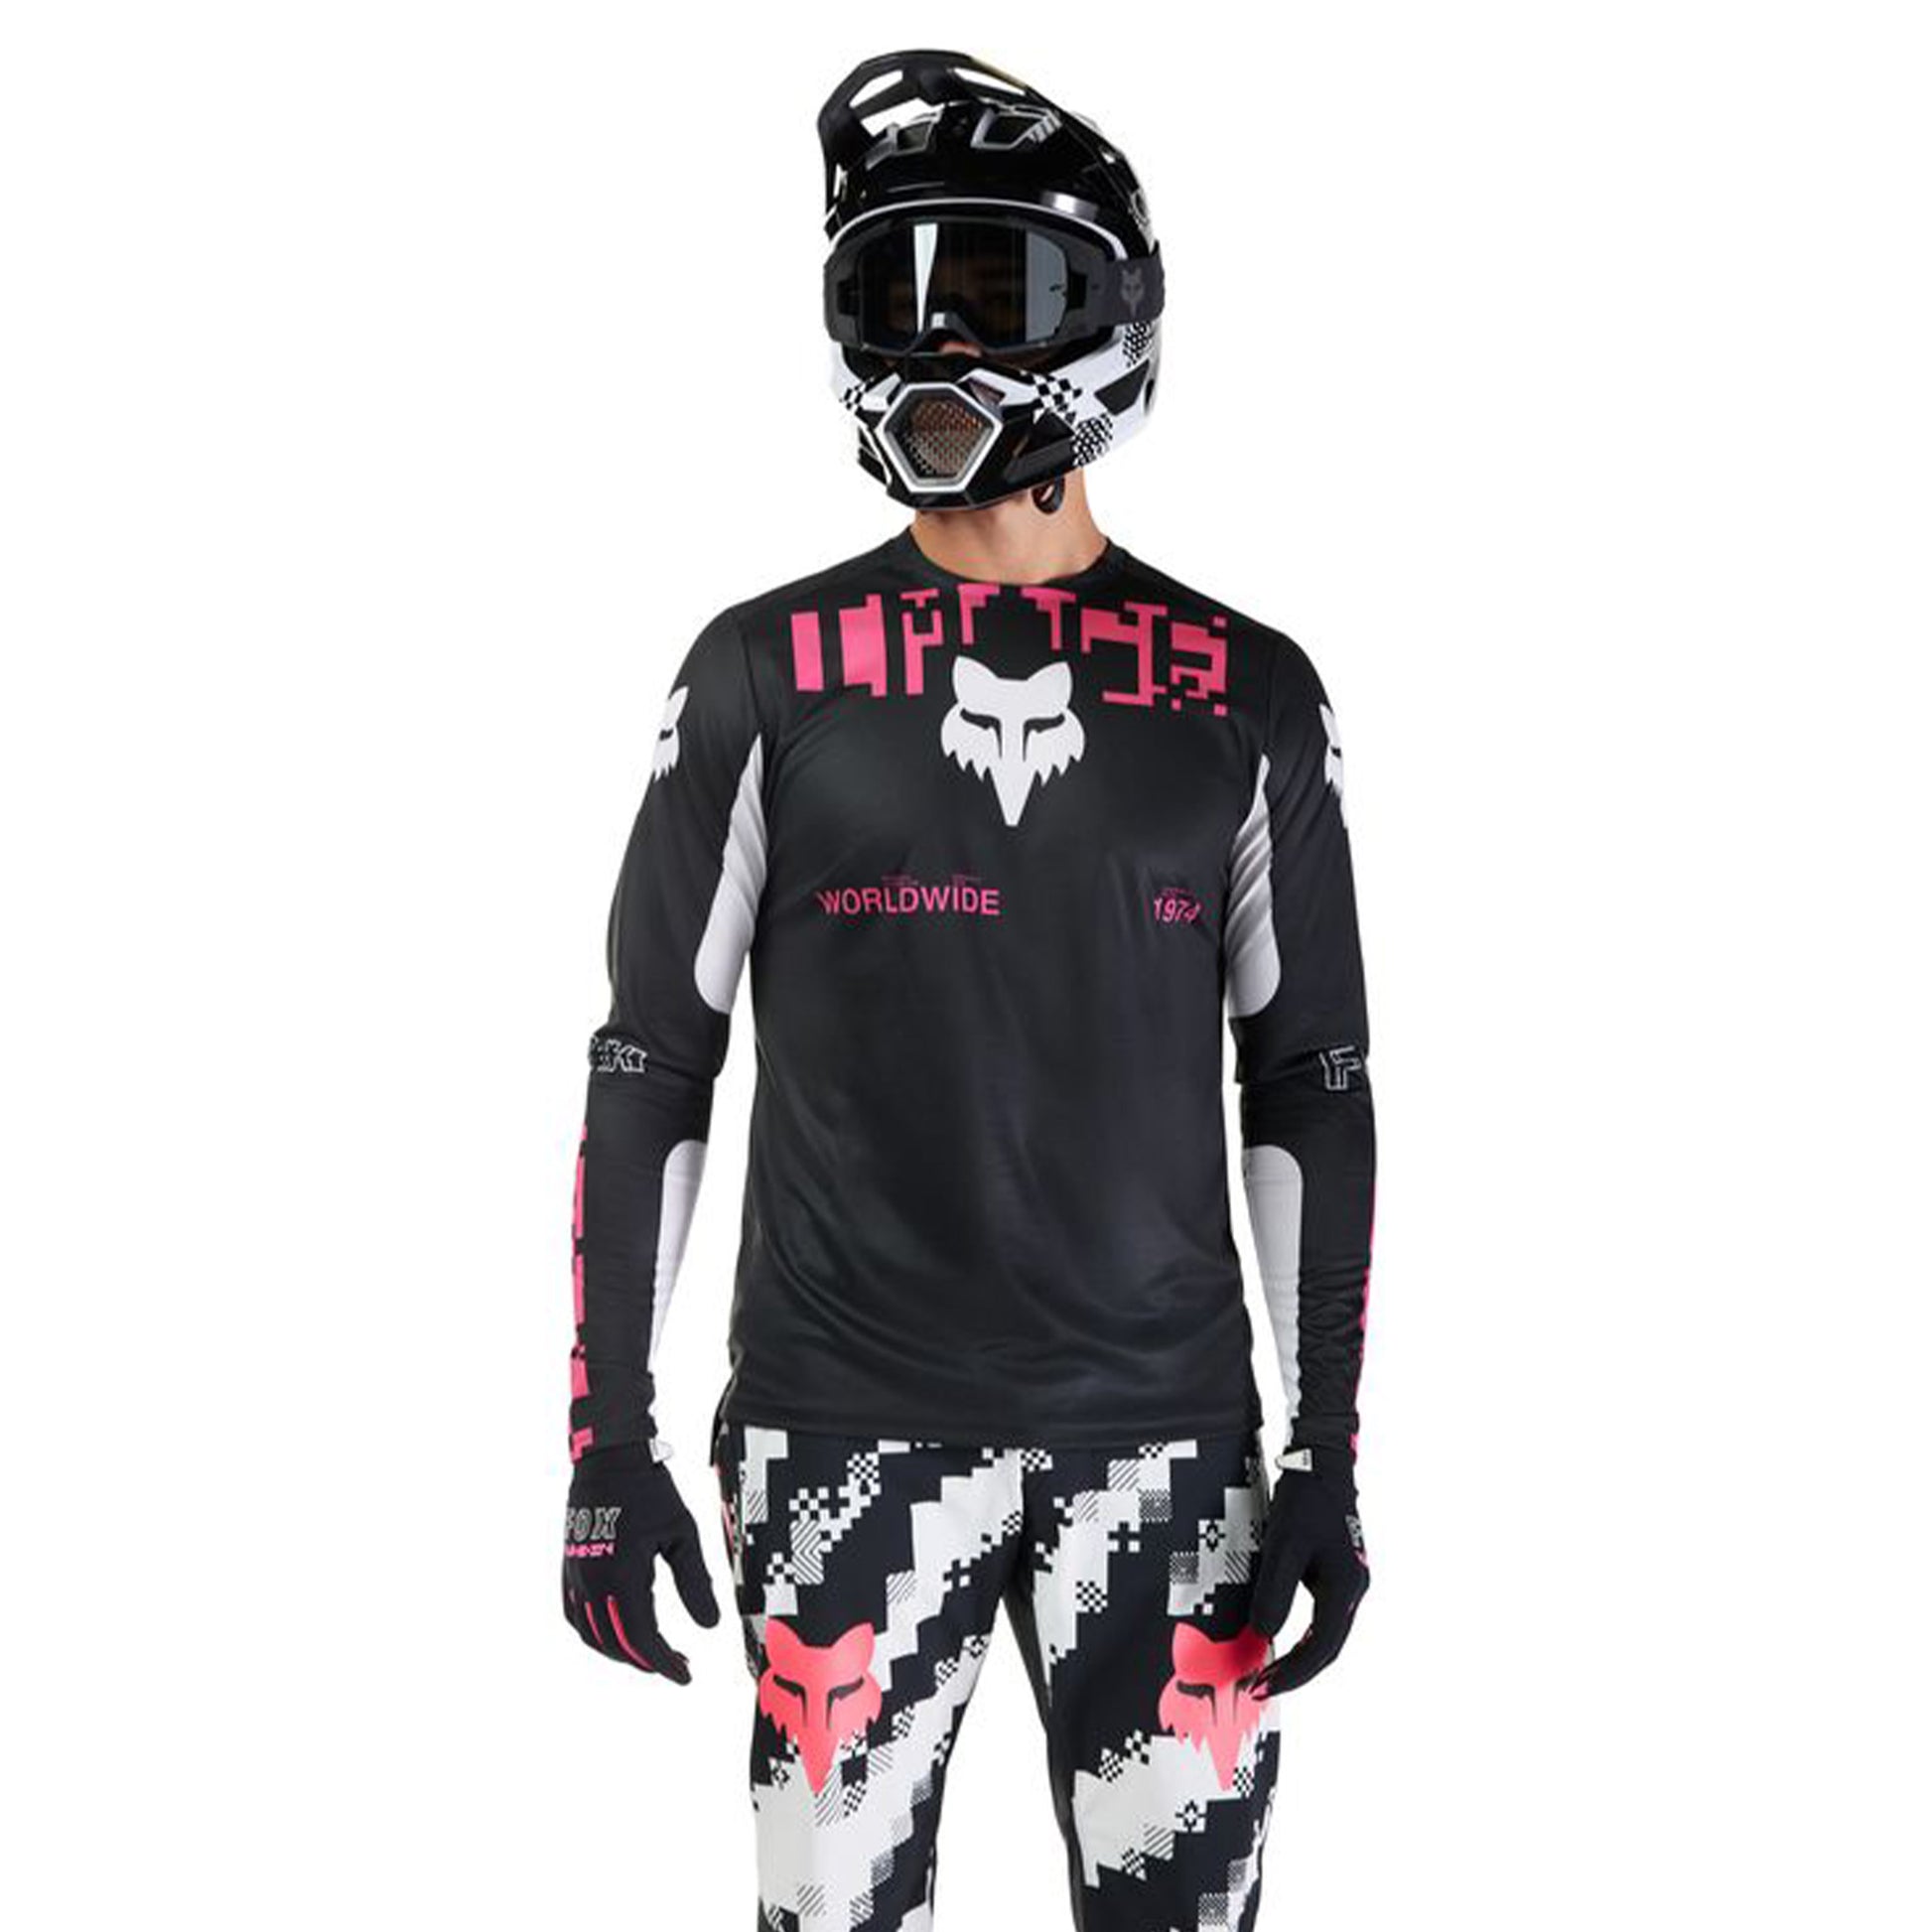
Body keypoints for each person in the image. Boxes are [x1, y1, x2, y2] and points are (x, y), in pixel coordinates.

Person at [560, 50, 1375, 1931]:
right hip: (839, 1433)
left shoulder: (1246, 694)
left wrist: (1324, 1449)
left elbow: (1310, 1077)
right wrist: (607, 1436)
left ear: (1108, 311)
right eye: (891, 287)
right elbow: (649, 1057)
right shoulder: (762, 675)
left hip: (1166, 1455)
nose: (934, 340)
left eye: (992, 288)